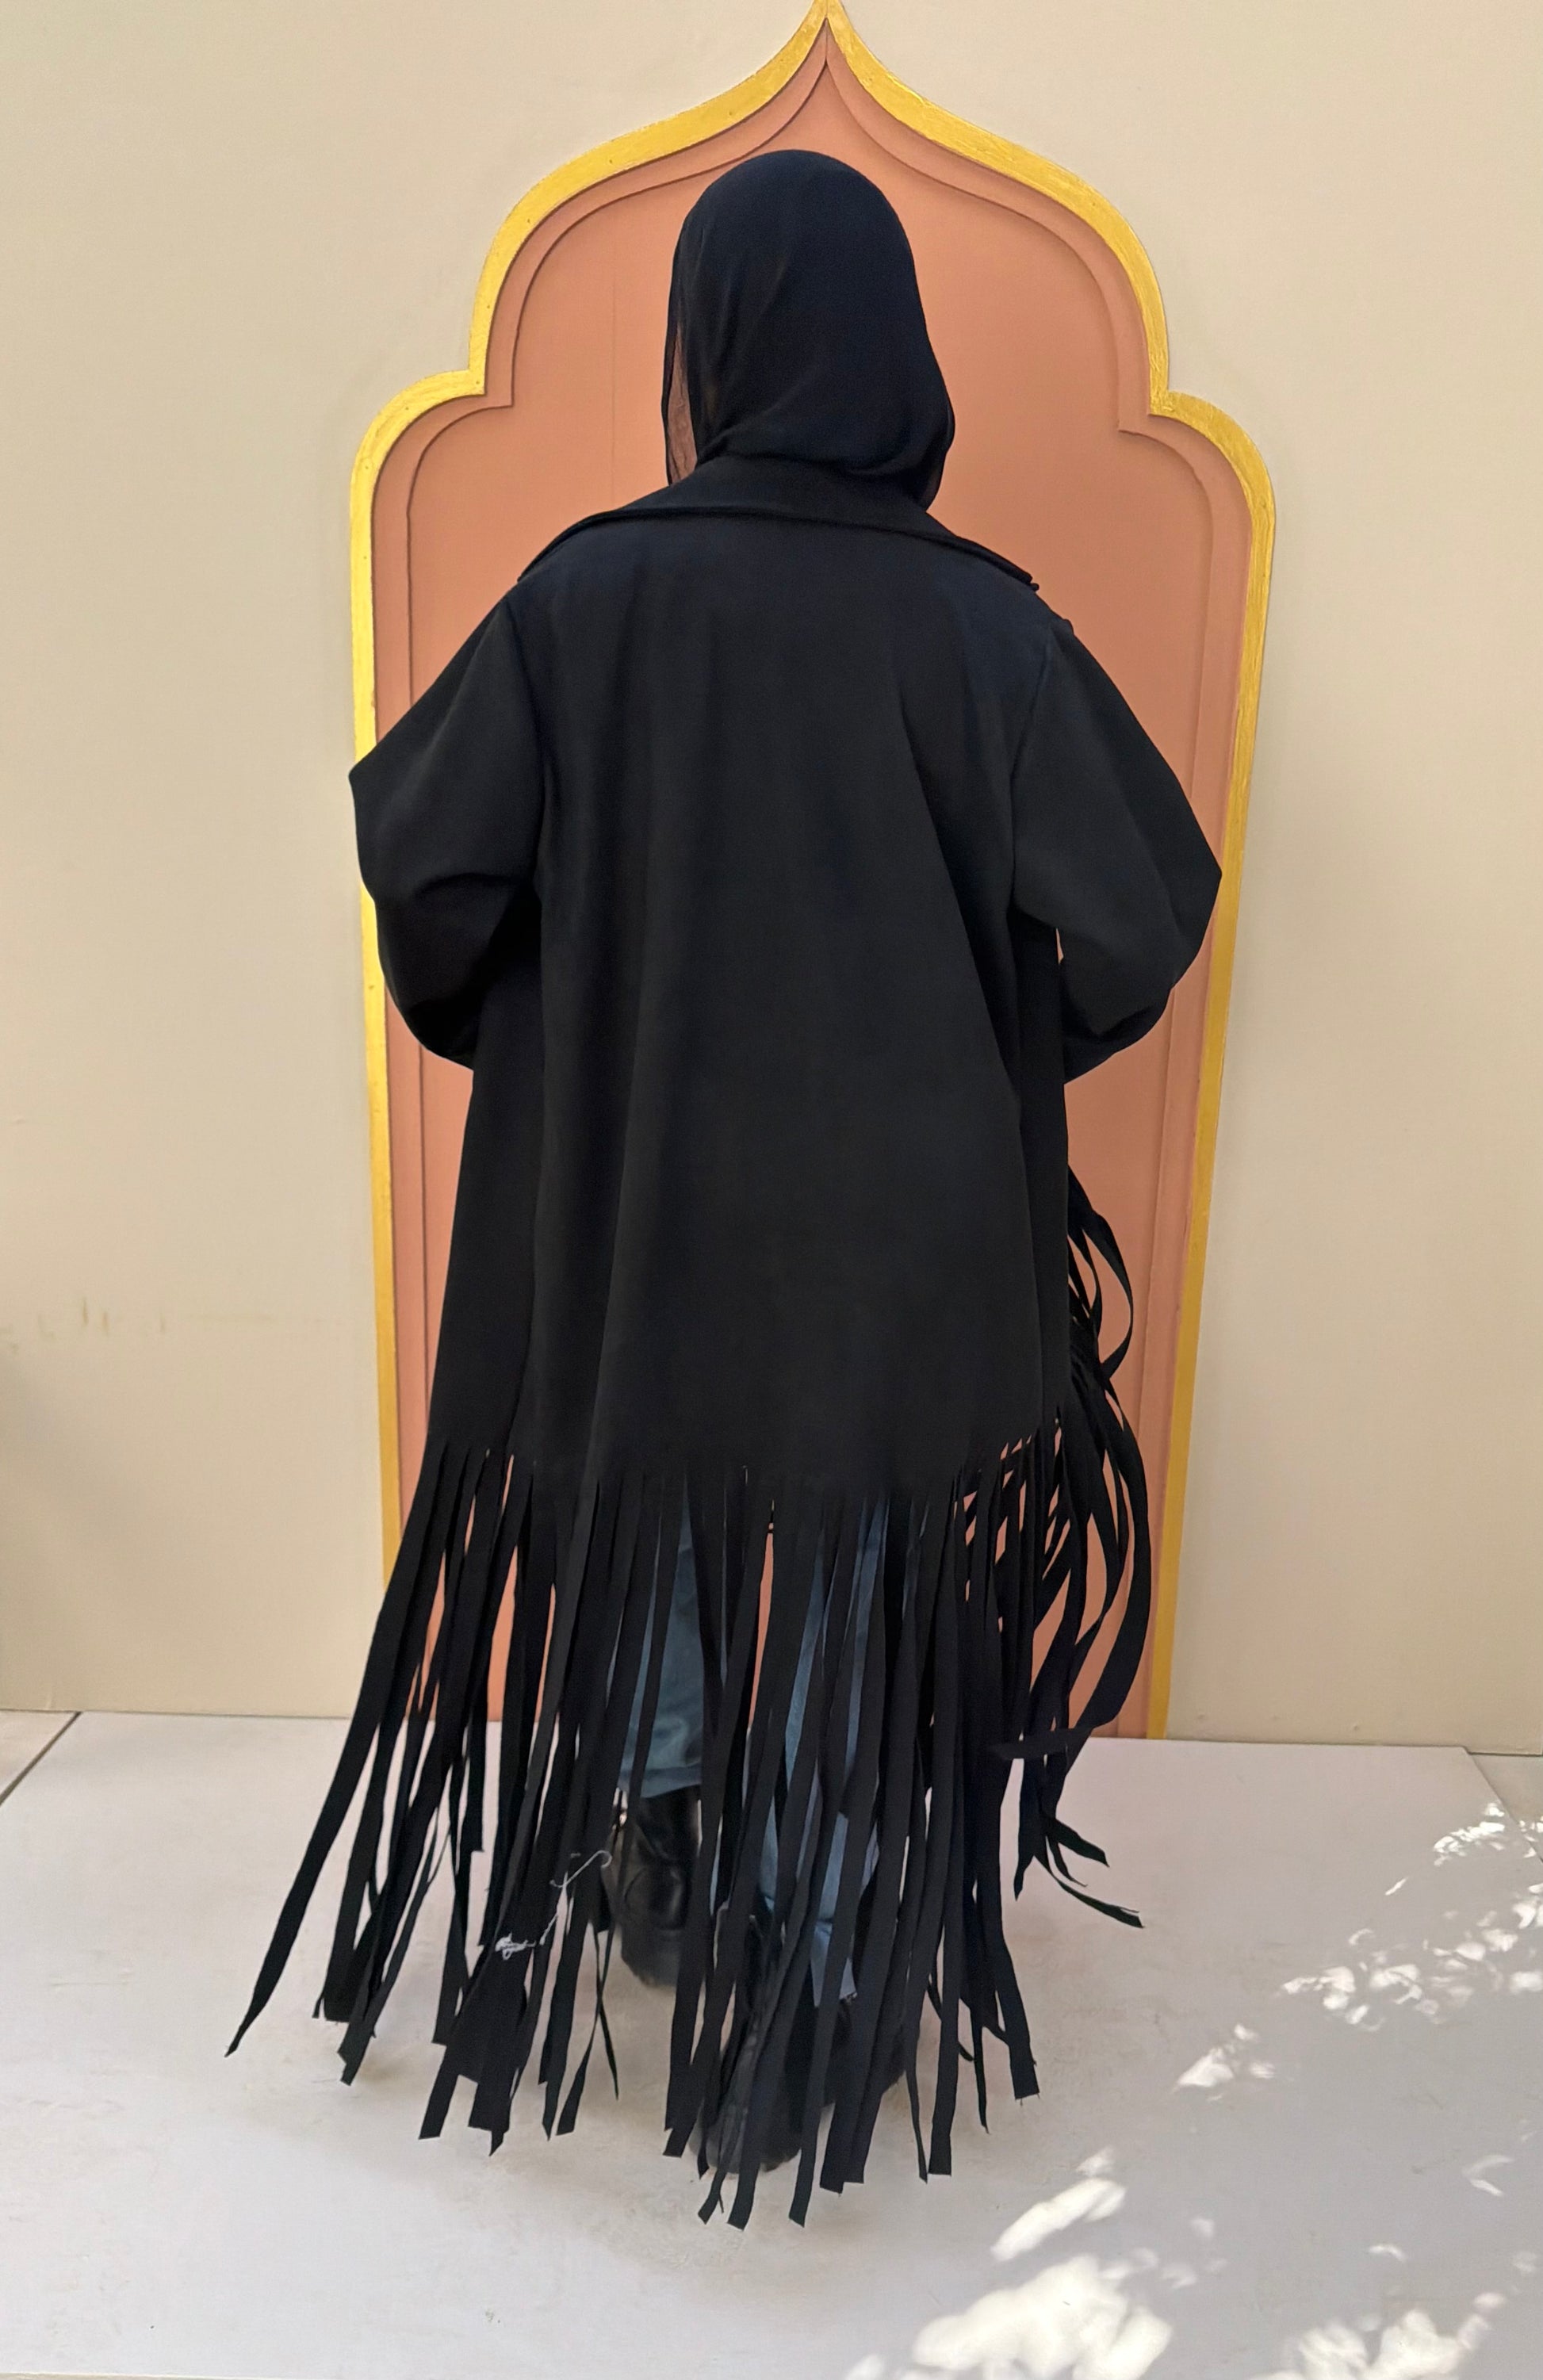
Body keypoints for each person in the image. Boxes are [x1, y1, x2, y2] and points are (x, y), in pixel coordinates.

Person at [232, 149, 1219, 2227]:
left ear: (705, 346)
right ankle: (812, 1888)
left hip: (638, 1199)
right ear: (892, 351)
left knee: (654, 1465)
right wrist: (1006, 1057)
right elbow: (1146, 910)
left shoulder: (580, 600)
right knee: (856, 1503)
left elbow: (428, 871)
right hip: (895, 1224)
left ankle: (662, 1832)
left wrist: (540, 1029)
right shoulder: (985, 626)